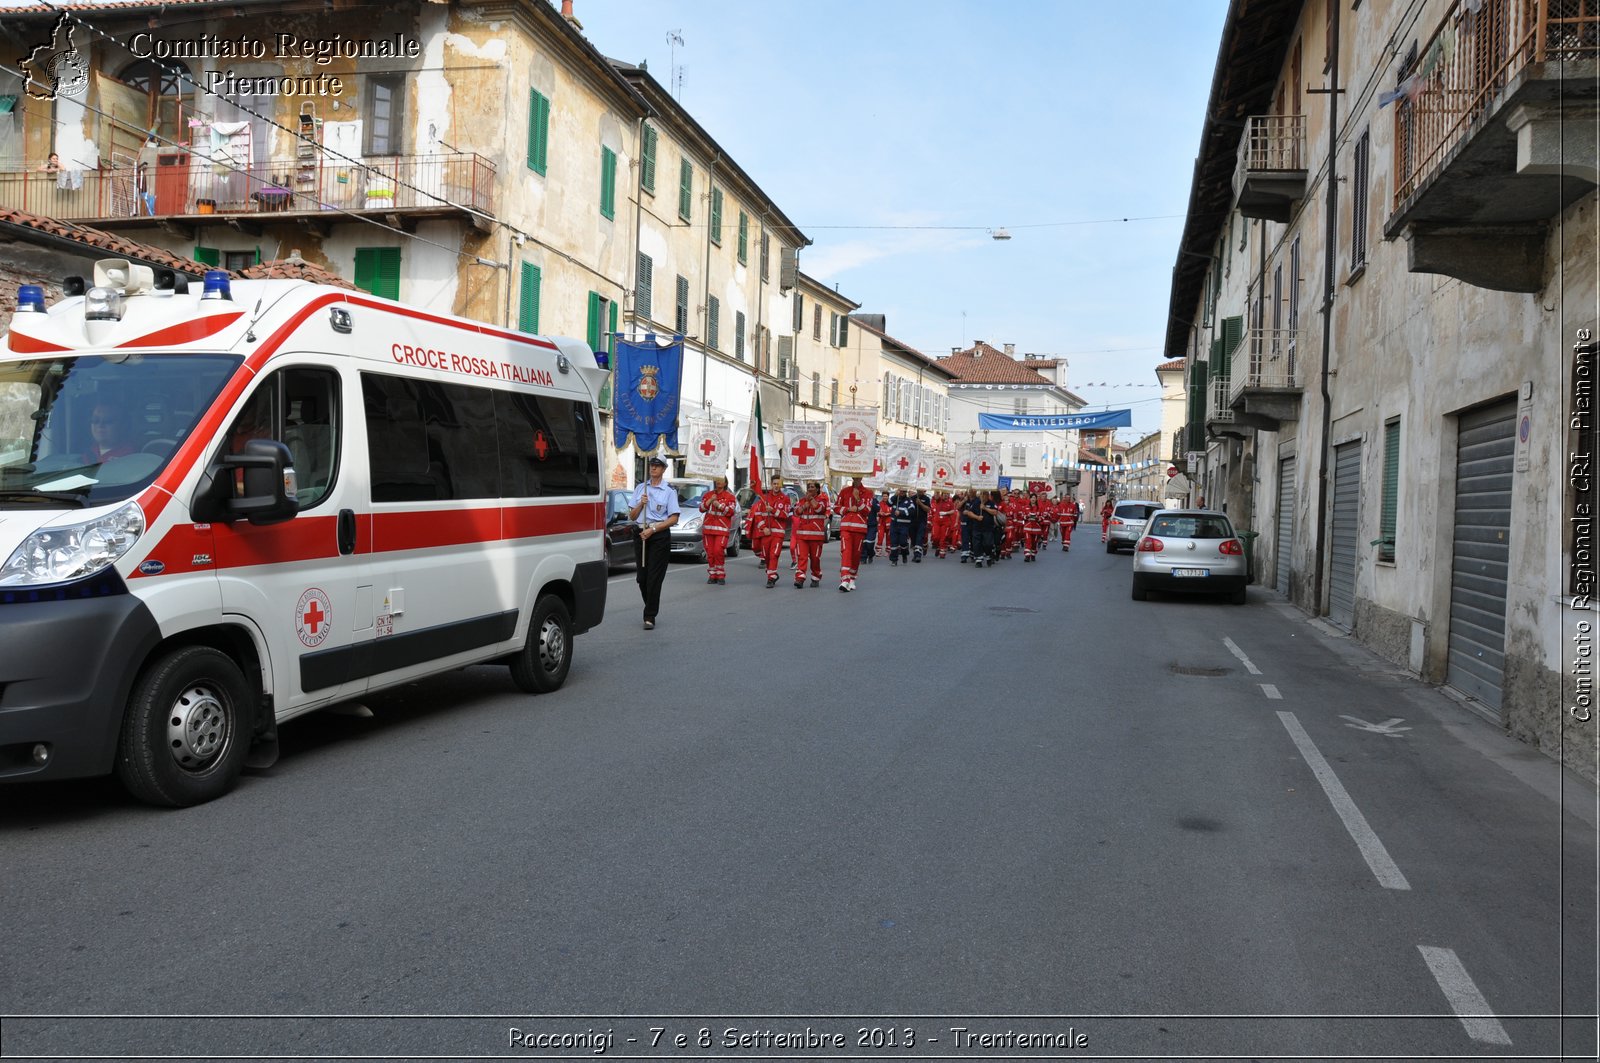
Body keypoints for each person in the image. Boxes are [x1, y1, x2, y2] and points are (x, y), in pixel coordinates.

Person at [627, 456, 679, 629]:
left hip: (658, 535)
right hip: (640, 533)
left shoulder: (669, 492)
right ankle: (650, 605)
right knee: (642, 578)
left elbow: (673, 518)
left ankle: (649, 615)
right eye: (652, 465)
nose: (653, 468)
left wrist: (653, 529)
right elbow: (632, 516)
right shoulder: (641, 488)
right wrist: (641, 505)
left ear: (664, 469)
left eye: (657, 466)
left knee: (654, 578)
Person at [749, 474, 792, 588]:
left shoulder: (785, 499)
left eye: (778, 483)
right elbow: (758, 515)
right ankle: (771, 572)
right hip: (766, 532)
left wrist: (773, 510)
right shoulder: (764, 498)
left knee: (774, 554)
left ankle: (771, 578)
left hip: (778, 533)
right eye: (774, 484)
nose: (776, 486)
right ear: (771, 484)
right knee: (767, 556)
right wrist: (764, 528)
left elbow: (785, 515)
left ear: (781, 484)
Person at [698, 475, 737, 585]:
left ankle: (720, 574)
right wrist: (710, 500)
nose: (719, 482)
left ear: (725, 483)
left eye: (721, 480)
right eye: (717, 480)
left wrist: (719, 505)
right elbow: (701, 509)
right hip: (708, 530)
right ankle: (712, 574)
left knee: (718, 551)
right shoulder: (708, 495)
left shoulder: (730, 497)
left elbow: (730, 512)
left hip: (721, 530)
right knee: (710, 553)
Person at [835, 474, 872, 591]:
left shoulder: (868, 492)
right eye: (855, 477)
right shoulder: (844, 491)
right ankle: (844, 580)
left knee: (856, 555)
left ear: (861, 478)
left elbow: (868, 511)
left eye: (859, 477)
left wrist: (858, 500)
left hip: (859, 529)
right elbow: (836, 507)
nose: (857, 479)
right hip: (846, 528)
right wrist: (847, 509)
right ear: (852, 478)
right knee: (846, 552)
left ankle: (852, 578)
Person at [791, 480, 829, 588]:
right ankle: (800, 578)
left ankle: (816, 576)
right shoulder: (802, 500)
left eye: (812, 487)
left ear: (817, 489)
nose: (810, 489)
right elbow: (795, 512)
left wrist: (812, 500)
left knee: (815, 558)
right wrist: (803, 506)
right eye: (808, 487)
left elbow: (820, 509)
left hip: (816, 535)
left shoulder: (823, 500)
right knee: (802, 557)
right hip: (802, 535)